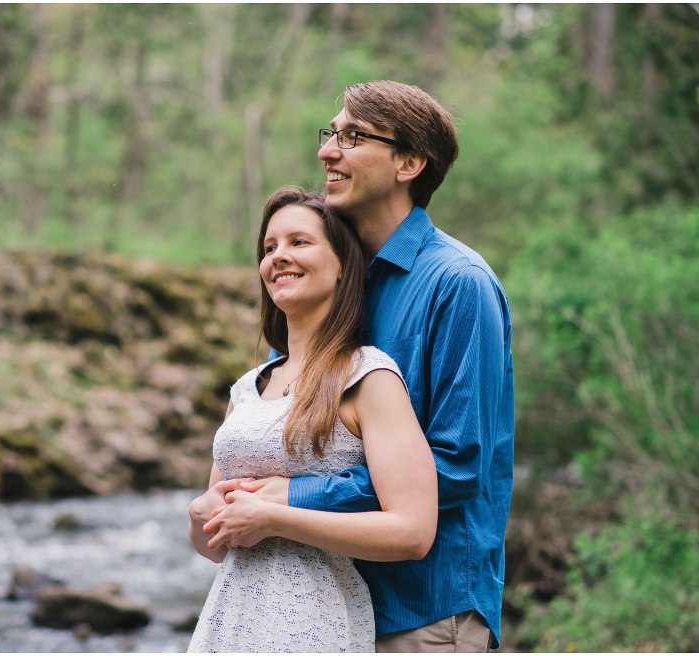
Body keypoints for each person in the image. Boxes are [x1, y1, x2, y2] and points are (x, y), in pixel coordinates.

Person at [200, 81, 515, 652]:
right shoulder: (329, 282)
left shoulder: (457, 284)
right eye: (330, 134)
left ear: (409, 163)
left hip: (425, 608)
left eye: (352, 136)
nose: (327, 150)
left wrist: (291, 500)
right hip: (329, 608)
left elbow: (459, 464)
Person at [187, 186, 438, 653]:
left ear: (343, 263)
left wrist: (278, 518)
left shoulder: (367, 375)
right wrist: (200, 517)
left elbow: (412, 532)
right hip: (230, 622)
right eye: (269, 247)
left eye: (299, 242)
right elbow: (216, 544)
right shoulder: (249, 388)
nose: (279, 256)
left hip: (314, 623)